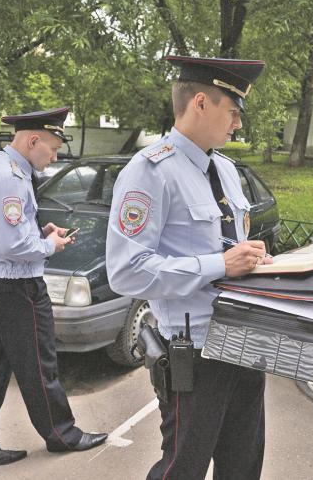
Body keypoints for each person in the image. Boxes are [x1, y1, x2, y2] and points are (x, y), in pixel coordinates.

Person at [106, 56, 272, 479]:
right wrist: (219, 264)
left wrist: (253, 260)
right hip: (196, 351)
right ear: (201, 102)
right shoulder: (150, 172)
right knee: (183, 468)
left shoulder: (227, 171)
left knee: (243, 463)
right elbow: (126, 272)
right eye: (233, 112)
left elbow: (229, 248)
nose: (238, 124)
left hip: (245, 339)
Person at [0, 108, 107, 474]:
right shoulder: (10, 177)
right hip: (17, 285)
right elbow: (11, 246)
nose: (54, 157)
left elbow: (7, 233)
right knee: (41, 364)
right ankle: (63, 435)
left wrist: (37, 235)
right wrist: (49, 246)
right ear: (33, 140)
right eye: (53, 148)